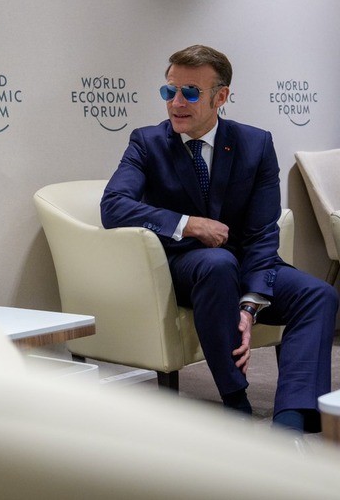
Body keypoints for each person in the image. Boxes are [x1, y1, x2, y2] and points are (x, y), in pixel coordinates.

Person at [101, 45, 337, 435]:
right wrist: (188, 224)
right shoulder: (147, 142)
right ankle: (235, 399)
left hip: (245, 265)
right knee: (217, 263)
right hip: (185, 267)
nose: (176, 102)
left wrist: (250, 305)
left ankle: (292, 420)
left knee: (318, 295)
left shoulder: (255, 144)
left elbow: (263, 232)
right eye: (169, 91)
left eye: (190, 92)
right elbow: (113, 206)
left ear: (220, 96)